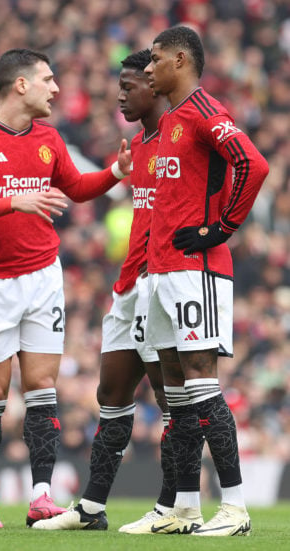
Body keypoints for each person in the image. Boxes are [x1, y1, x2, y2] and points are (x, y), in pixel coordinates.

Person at [0, 48, 132, 529]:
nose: (56, 88)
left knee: (43, 385)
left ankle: (41, 496)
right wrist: (12, 202)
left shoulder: (49, 137)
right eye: (47, 79)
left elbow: (74, 186)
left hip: (43, 275)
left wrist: (113, 174)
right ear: (20, 85)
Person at [33, 49, 180, 532]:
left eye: (129, 84)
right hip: (128, 286)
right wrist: (116, 171)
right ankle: (91, 509)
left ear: (155, 86)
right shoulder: (139, 145)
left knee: (170, 399)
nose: (119, 92)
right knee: (110, 392)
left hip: (163, 283)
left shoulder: (181, 139)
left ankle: (171, 507)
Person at [142, 26, 269, 537]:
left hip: (197, 271)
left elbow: (252, 164)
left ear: (180, 59)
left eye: (154, 60)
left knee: (202, 385)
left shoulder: (203, 110)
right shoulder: (171, 117)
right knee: (177, 399)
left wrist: (222, 228)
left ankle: (235, 508)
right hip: (163, 271)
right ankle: (186, 508)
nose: (147, 69)